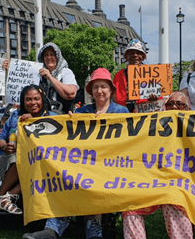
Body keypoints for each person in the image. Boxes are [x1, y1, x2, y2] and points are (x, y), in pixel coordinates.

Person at [23, 68, 128, 239]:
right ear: (91, 91)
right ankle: (53, 228)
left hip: (109, 168)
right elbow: (61, 134)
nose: (99, 91)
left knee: (93, 181)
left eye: (103, 87)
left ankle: (93, 230)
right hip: (81, 165)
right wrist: (34, 122)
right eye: (95, 87)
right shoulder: (81, 112)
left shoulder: (122, 112)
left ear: (111, 90)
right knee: (64, 177)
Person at [122, 91, 193, 239]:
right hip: (150, 179)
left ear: (188, 108)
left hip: (178, 182)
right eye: (170, 104)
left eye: (180, 104)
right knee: (131, 206)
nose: (174, 106)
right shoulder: (155, 125)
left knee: (174, 202)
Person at [0, 85, 56, 215]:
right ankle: (3, 198)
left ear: (42, 99)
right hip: (12, 158)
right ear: (23, 101)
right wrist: (4, 146)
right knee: (19, 157)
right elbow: (0, 138)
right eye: (28, 99)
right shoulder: (15, 116)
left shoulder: (52, 117)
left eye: (36, 99)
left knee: (34, 163)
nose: (33, 103)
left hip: (42, 161)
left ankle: (3, 198)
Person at [113, 39, 158, 112]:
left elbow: (160, 102)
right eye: (131, 53)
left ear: (143, 57)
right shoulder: (118, 76)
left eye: (138, 53)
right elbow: (113, 99)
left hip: (144, 117)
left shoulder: (152, 74)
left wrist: (153, 100)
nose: (135, 55)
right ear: (126, 57)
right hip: (123, 117)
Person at [37, 42, 79, 114]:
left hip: (63, 117)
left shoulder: (66, 72)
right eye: (46, 55)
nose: (49, 57)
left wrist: (50, 77)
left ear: (57, 57)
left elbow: (71, 94)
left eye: (52, 54)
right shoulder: (37, 75)